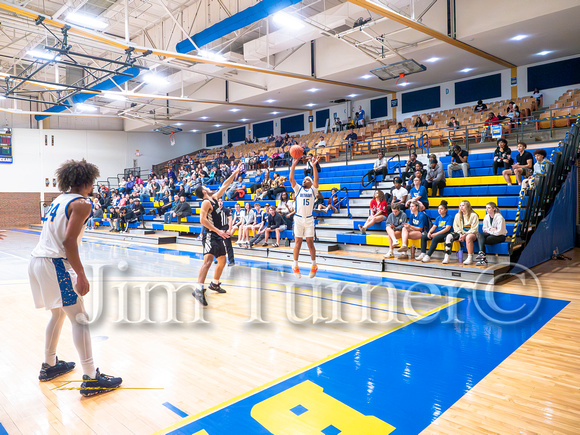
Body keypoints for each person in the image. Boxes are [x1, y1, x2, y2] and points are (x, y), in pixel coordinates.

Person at [29, 159, 122, 396]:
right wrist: (80, 274)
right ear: (87, 181)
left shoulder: (59, 199)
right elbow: (68, 241)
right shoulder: (82, 203)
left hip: (38, 260)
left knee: (58, 313)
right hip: (55, 264)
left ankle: (49, 365)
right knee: (80, 318)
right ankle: (91, 377)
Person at [192, 166, 241, 306]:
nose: (208, 187)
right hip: (210, 235)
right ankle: (198, 289)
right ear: (203, 191)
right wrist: (217, 230)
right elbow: (202, 220)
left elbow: (225, 184)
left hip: (218, 235)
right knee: (207, 262)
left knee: (222, 261)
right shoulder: (206, 202)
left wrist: (235, 173)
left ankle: (214, 284)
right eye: (205, 187)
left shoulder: (214, 198)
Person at [289, 155, 320, 279]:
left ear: (311, 183)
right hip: (298, 218)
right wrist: (293, 165)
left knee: (310, 242)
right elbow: (291, 178)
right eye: (304, 179)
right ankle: (295, 265)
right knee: (298, 242)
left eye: (307, 179)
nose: (304, 180)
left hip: (309, 219)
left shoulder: (313, 190)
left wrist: (313, 166)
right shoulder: (298, 189)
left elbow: (316, 179)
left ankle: (314, 265)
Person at [443, 200, 479, 265]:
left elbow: (474, 228)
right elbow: (455, 227)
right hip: (460, 233)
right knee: (449, 236)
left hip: (471, 234)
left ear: (467, 206)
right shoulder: (457, 215)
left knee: (468, 237)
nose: (461, 207)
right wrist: (459, 234)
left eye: (463, 205)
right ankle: (446, 256)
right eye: (460, 206)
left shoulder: (474, 215)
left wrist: (465, 234)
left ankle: (470, 258)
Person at [216, 199, 235, 266]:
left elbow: (230, 220)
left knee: (228, 245)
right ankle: (218, 259)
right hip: (218, 230)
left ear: (222, 202)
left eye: (221, 201)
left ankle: (231, 261)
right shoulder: (216, 210)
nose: (220, 202)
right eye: (219, 201)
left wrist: (229, 229)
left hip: (225, 229)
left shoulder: (226, 210)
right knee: (218, 245)